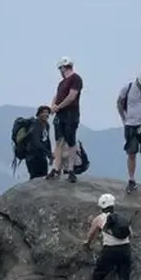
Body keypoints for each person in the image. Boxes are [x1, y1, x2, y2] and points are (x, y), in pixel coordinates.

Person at [83, 193, 136, 280]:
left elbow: (91, 235)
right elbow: (130, 234)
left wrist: (87, 244)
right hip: (125, 249)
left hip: (109, 251)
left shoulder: (99, 219)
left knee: (97, 278)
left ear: (101, 206)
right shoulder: (122, 218)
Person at [116, 69, 141, 195]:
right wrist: (124, 118)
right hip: (131, 124)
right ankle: (131, 180)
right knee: (131, 153)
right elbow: (119, 103)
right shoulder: (127, 88)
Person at [47, 56, 84, 184]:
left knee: (71, 141)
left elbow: (71, 97)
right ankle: (56, 168)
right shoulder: (61, 83)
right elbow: (57, 96)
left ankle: (71, 169)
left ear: (63, 67)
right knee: (59, 141)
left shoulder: (76, 79)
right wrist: (53, 106)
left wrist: (57, 107)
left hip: (70, 114)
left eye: (60, 69)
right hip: (60, 115)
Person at [25, 105, 53, 179]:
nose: (46, 114)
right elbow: (36, 142)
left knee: (44, 177)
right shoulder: (35, 125)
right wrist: (48, 152)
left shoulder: (46, 125)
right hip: (32, 156)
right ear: (39, 114)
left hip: (42, 156)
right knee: (34, 178)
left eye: (48, 113)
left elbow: (47, 140)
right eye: (44, 112)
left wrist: (50, 155)